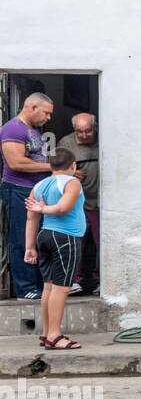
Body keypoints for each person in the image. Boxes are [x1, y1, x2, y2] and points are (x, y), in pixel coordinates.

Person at [23, 148, 84, 350]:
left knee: (49, 287)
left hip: (45, 236)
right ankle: (55, 336)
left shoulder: (39, 185)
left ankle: (46, 332)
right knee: (61, 287)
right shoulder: (71, 182)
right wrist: (44, 209)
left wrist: (29, 247)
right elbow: (63, 207)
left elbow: (31, 218)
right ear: (73, 165)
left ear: (50, 166)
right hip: (65, 237)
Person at [2, 93, 54, 299]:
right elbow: (16, 163)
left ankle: (38, 285)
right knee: (22, 238)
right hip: (17, 189)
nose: (48, 118)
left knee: (36, 238)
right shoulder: (13, 128)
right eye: (46, 113)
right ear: (32, 107)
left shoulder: (31, 131)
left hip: (33, 190)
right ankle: (26, 288)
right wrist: (52, 167)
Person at [57, 112, 99, 295]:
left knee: (101, 244)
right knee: (75, 243)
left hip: (100, 203)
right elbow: (55, 170)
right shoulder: (66, 144)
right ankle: (75, 281)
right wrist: (69, 173)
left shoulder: (106, 138)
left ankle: (99, 281)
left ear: (94, 128)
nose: (84, 135)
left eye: (88, 131)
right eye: (79, 132)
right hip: (77, 204)